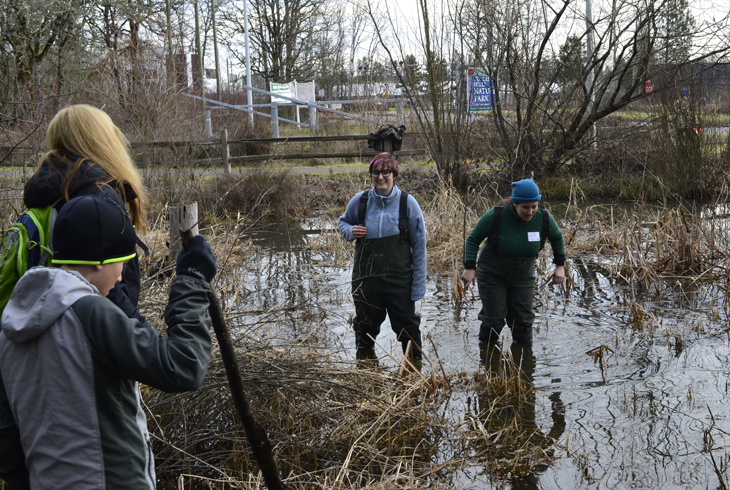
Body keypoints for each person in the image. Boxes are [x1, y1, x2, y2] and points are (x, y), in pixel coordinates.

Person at [0, 194, 217, 490]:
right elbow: (184, 365)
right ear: (100, 261)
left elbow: (7, 438)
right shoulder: (90, 313)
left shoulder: (11, 326)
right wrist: (191, 283)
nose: (120, 279)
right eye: (124, 264)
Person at [22, 104, 150, 328]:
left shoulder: (50, 191)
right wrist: (144, 340)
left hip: (51, 326)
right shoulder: (97, 199)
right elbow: (110, 291)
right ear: (101, 142)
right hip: (93, 333)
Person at [338, 152, 427, 360]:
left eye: (386, 172)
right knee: (364, 330)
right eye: (376, 172)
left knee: (408, 331)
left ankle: (414, 374)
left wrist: (418, 287)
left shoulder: (408, 204)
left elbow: (420, 249)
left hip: (400, 282)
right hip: (366, 282)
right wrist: (351, 232)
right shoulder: (360, 202)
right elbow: (342, 222)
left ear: (394, 175)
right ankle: (366, 372)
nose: (380, 177)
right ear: (371, 175)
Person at [461, 178, 565, 345]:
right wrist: (469, 267)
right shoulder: (496, 215)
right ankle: (488, 359)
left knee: (523, 322)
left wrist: (560, 266)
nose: (530, 212)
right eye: (525, 207)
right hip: (493, 275)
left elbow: (557, 238)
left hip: (523, 276)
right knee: (494, 320)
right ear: (515, 204)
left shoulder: (544, 218)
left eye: (534, 206)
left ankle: (523, 362)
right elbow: (473, 239)